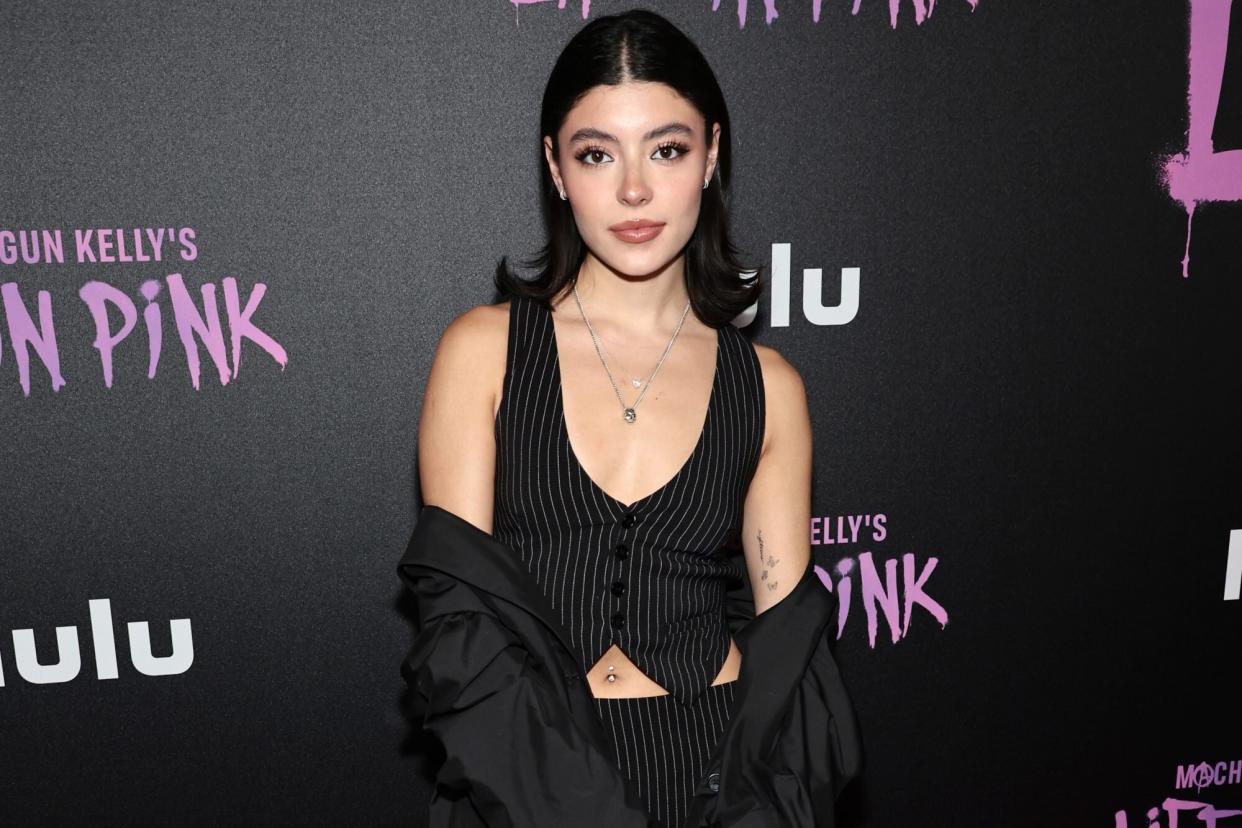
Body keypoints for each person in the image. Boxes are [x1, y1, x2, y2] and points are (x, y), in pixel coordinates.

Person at [410, 9, 858, 826]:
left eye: (667, 148)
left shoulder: (768, 387)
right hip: (526, 775)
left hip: (714, 780)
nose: (634, 190)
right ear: (555, 167)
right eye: (595, 154)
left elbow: (789, 655)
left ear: (712, 155)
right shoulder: (485, 351)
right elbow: (462, 628)